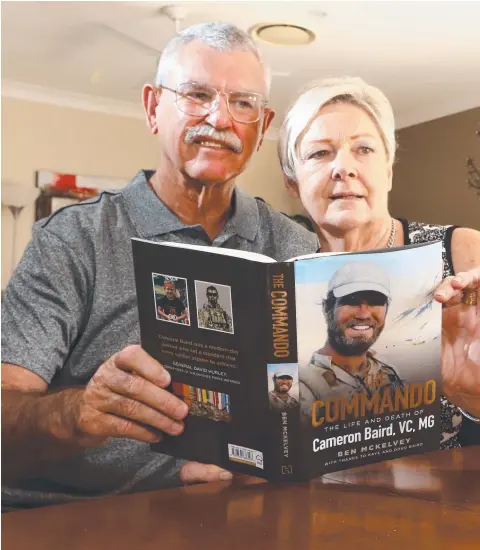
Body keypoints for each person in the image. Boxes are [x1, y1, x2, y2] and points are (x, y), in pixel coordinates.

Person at [1, 22, 318, 511]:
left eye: (243, 103)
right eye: (196, 94)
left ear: (261, 127)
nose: (220, 118)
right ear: (152, 108)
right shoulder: (73, 239)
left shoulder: (296, 246)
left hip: (239, 516)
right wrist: (78, 412)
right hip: (69, 518)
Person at [278, 76, 480, 448]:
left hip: (443, 497)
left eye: (364, 149)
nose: (344, 167)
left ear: (388, 169)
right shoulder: (279, 276)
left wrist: (472, 395)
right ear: (293, 183)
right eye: (319, 153)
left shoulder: (463, 252)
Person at [300, 260, 403, 420]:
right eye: (351, 301)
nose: (364, 314)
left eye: (375, 302)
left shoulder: (387, 375)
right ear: (327, 308)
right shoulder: (303, 389)